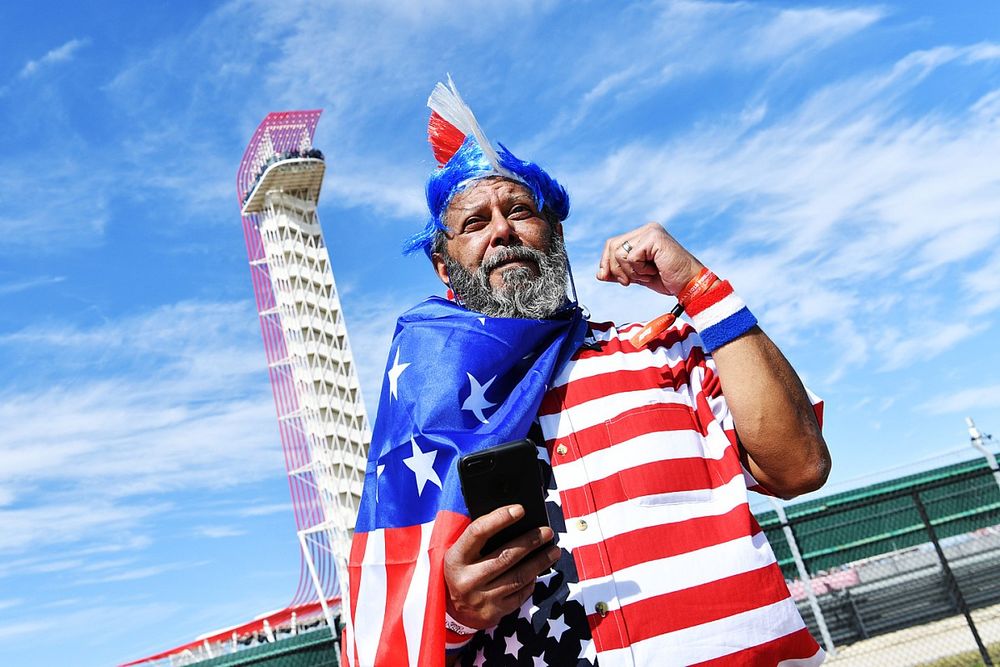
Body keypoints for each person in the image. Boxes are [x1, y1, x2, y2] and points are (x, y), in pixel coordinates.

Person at [343, 78, 831, 667]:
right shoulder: (429, 420)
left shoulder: (663, 352)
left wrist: (700, 288)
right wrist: (453, 612)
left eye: (520, 210)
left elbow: (800, 466)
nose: (502, 230)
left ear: (555, 234)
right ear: (443, 263)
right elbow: (398, 615)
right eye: (475, 222)